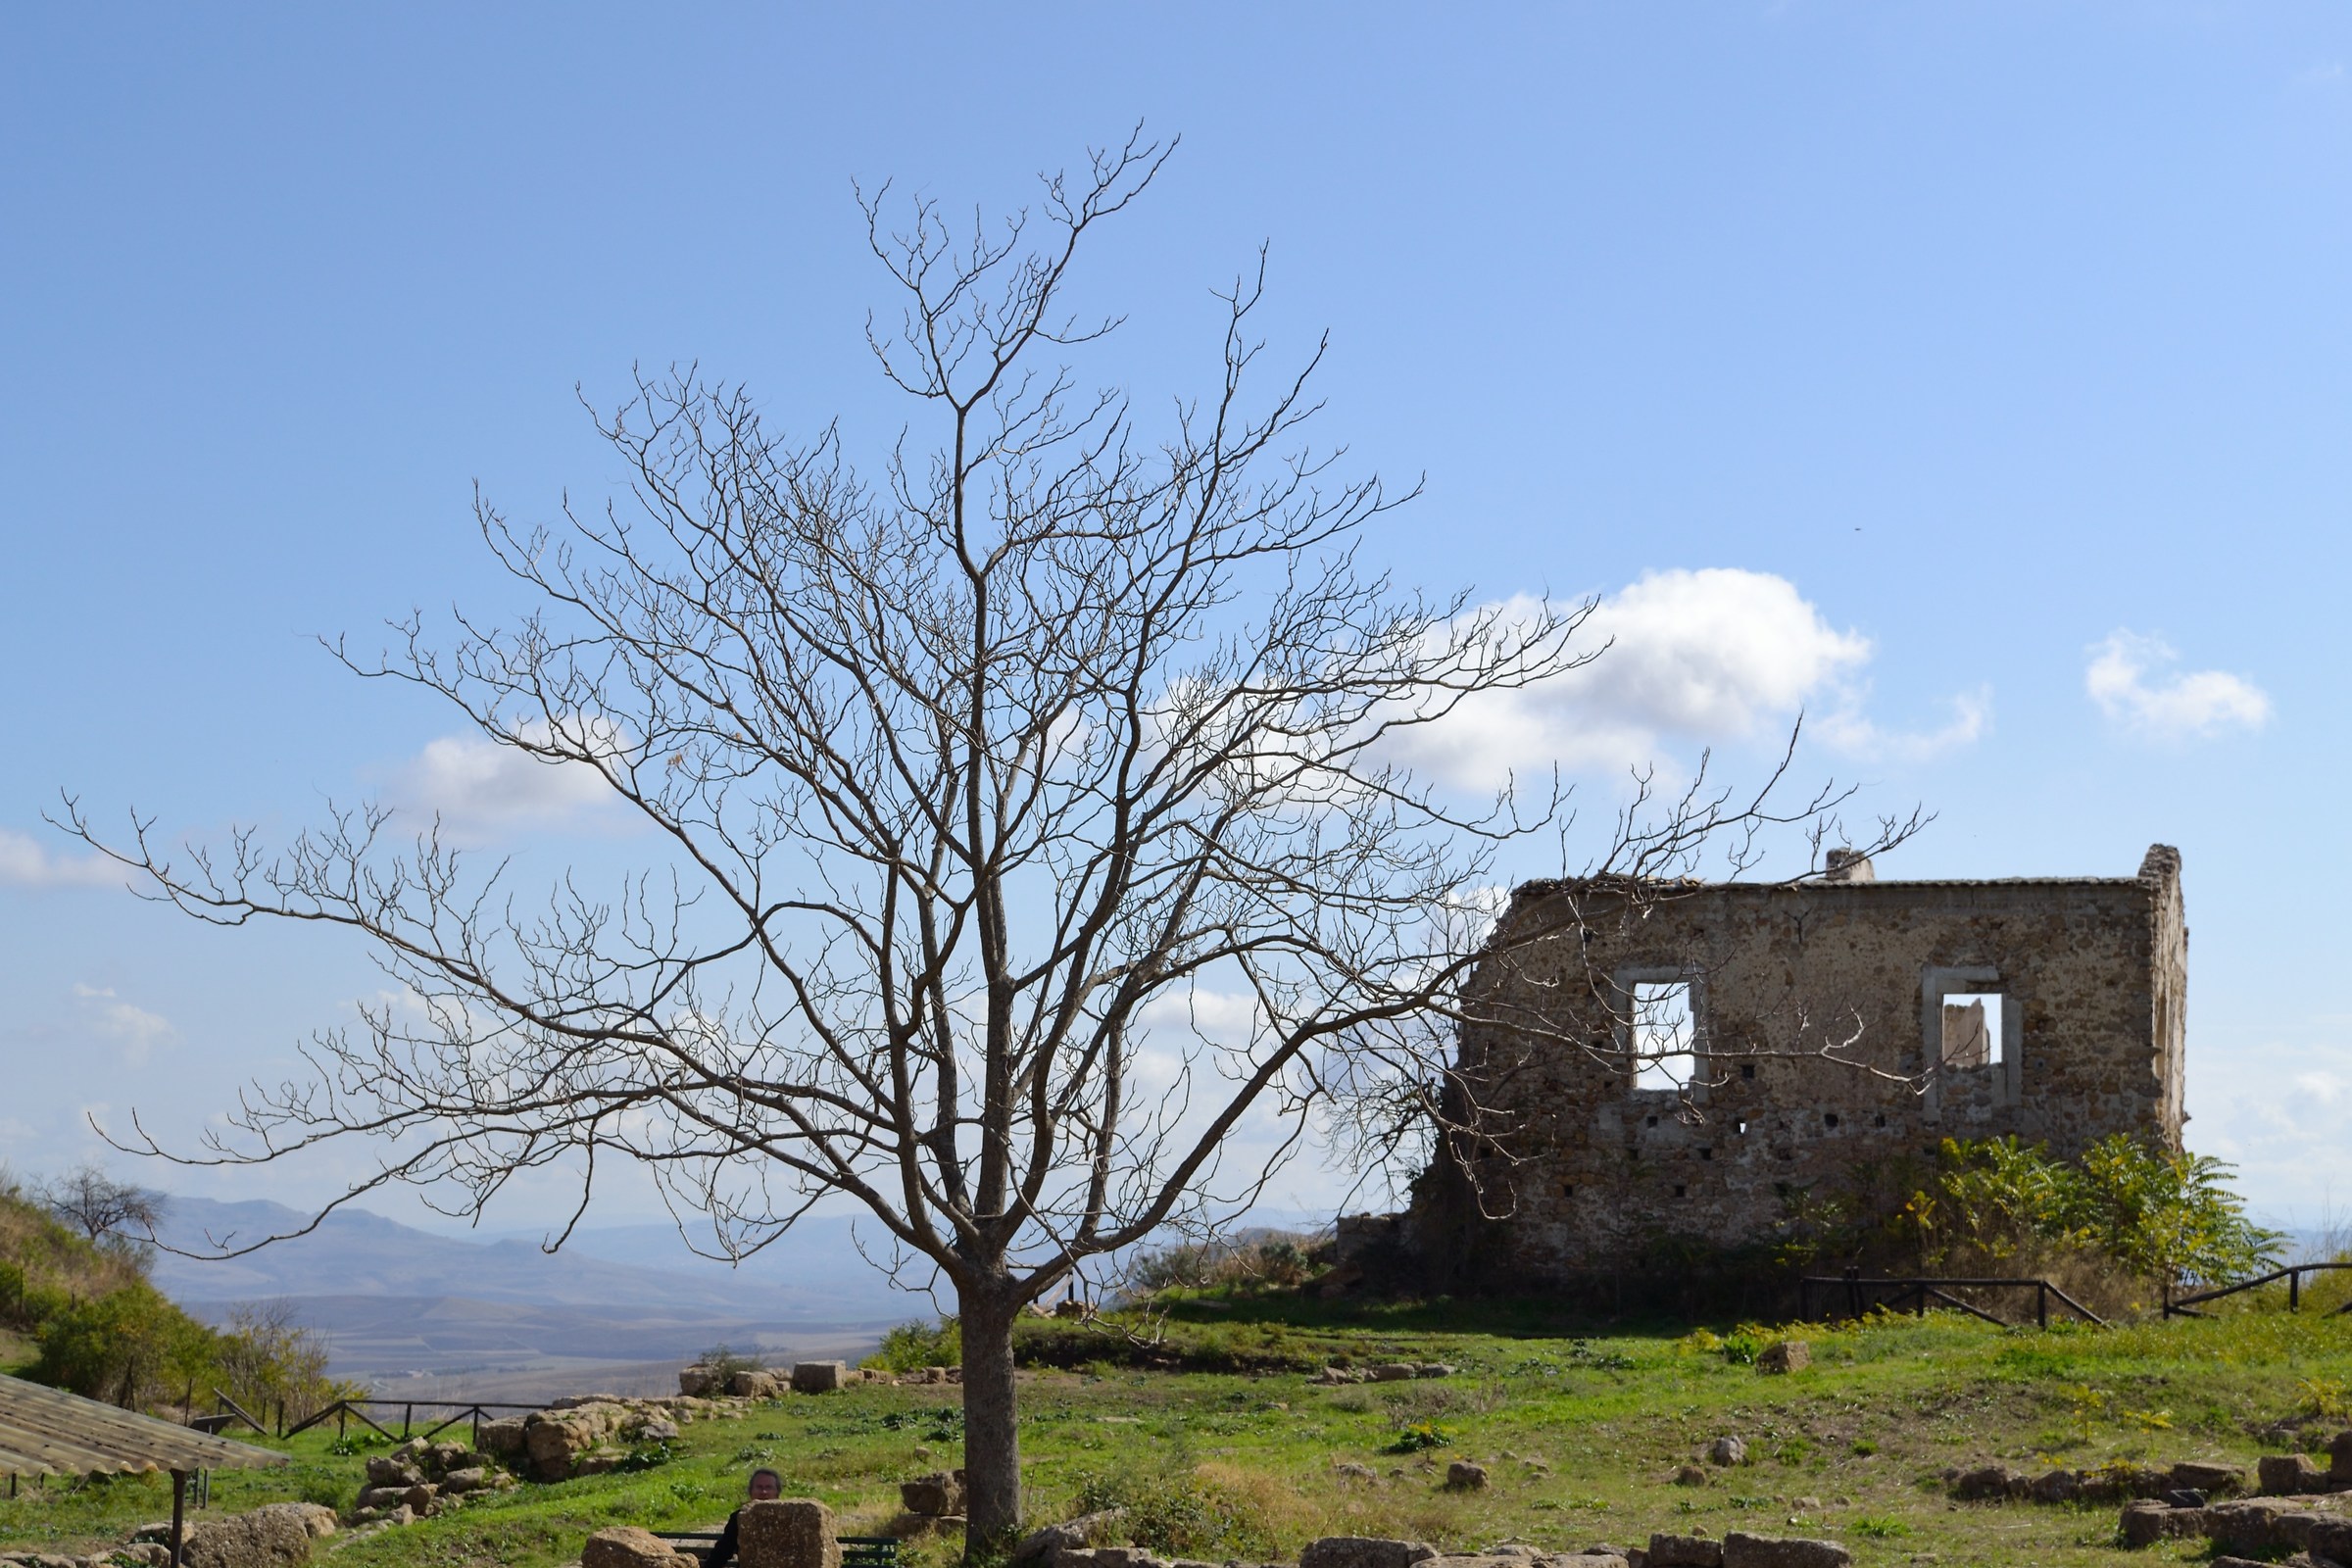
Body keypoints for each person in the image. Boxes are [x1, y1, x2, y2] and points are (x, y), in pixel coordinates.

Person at [704, 1467, 782, 1567]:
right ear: (750, 1491)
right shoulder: (739, 1518)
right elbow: (722, 1552)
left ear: (777, 1492)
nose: (764, 1492)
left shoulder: (789, 1519)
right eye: (759, 1487)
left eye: (768, 1487)